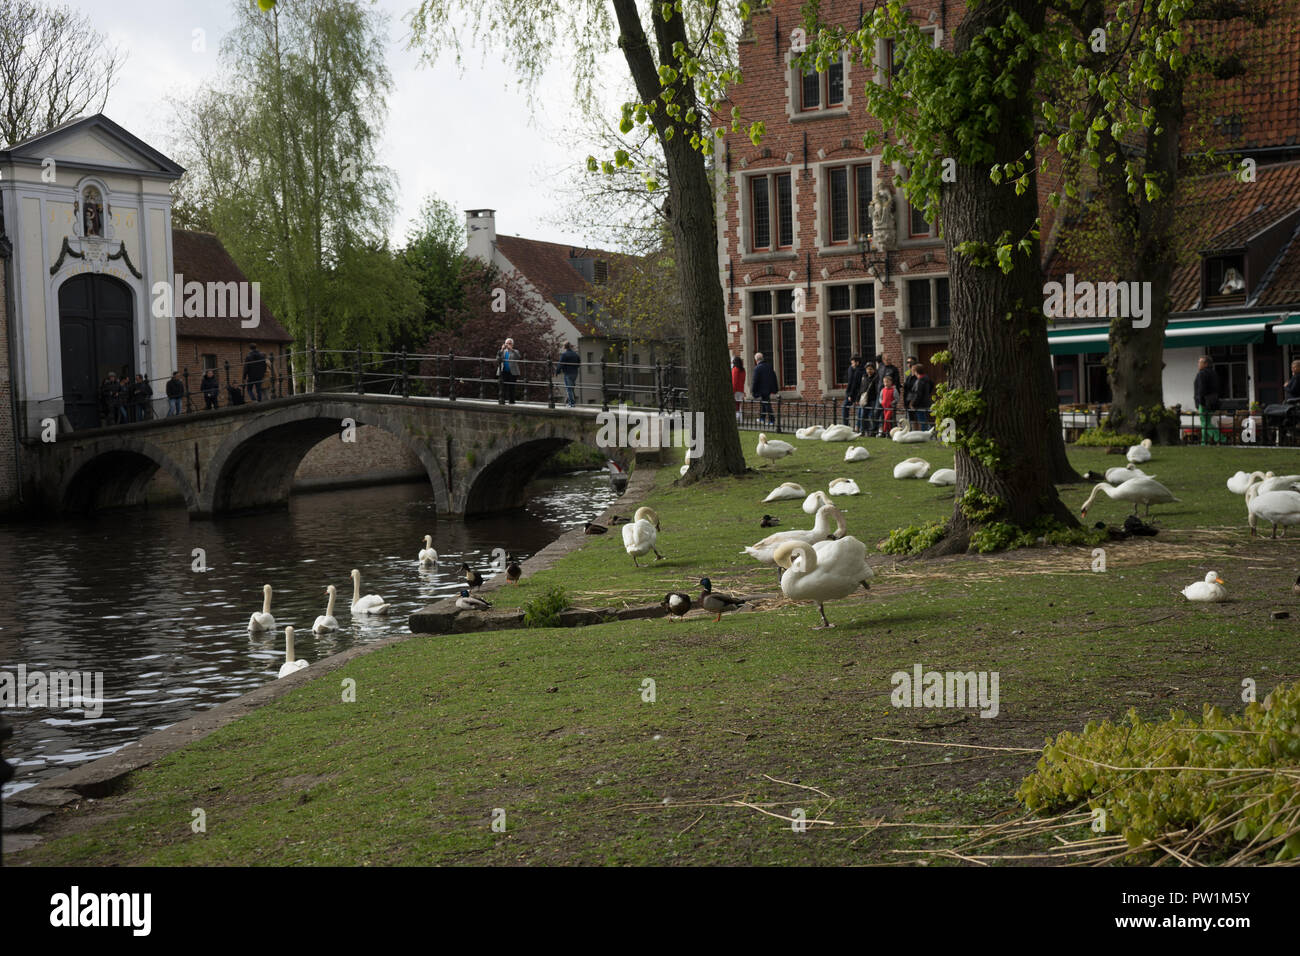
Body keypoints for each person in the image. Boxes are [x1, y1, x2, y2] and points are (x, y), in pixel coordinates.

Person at [1193, 355, 1223, 445]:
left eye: (1200, 362)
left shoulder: (1202, 373)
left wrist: (1199, 403)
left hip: (1204, 402)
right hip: (1212, 401)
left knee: (1205, 423)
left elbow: (1201, 390)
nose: (1198, 364)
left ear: (1205, 364)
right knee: (1206, 422)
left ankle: (1221, 439)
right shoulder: (1214, 373)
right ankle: (1204, 442)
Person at [751, 351, 779, 427]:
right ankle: (762, 418)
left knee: (766, 404)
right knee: (764, 403)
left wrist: (753, 391)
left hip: (762, 390)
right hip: (768, 389)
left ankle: (772, 420)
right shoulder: (769, 366)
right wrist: (775, 388)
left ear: (756, 360)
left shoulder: (757, 368)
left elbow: (755, 381)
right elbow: (774, 377)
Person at [843, 355, 865, 427]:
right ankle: (845, 425)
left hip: (858, 393)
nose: (852, 365)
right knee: (845, 407)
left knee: (859, 410)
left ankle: (858, 426)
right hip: (850, 393)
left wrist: (852, 395)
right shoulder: (850, 369)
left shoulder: (861, 371)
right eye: (851, 363)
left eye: (853, 363)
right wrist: (849, 394)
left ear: (857, 362)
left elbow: (857, 384)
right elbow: (850, 382)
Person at [859, 361, 880, 435]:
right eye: (868, 369)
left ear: (874, 369)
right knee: (863, 415)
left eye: (871, 369)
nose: (869, 371)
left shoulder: (876, 377)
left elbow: (877, 389)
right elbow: (862, 388)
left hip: (873, 399)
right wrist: (859, 396)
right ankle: (863, 430)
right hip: (865, 399)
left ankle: (873, 431)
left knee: (872, 416)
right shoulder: (864, 377)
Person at [498, 337, 521, 404]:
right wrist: (502, 349)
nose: (508, 345)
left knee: (512, 387)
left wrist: (512, 350)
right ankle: (502, 400)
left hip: (512, 372)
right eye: (506, 343)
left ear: (512, 344)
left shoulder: (515, 351)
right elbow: (498, 358)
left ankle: (512, 401)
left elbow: (518, 357)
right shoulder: (503, 352)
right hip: (504, 371)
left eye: (509, 343)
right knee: (503, 387)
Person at [559, 342, 580, 407]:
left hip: (568, 373)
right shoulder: (575, 354)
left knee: (569, 389)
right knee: (571, 388)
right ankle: (569, 402)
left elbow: (560, 364)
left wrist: (557, 371)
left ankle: (572, 404)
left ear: (564, 347)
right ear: (570, 346)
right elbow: (579, 363)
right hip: (575, 373)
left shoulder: (564, 355)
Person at [902, 357, 920, 426]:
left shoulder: (918, 378)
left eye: (910, 363)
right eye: (908, 363)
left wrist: (912, 402)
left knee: (918, 420)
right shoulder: (908, 376)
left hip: (914, 401)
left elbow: (916, 390)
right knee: (911, 420)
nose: (909, 365)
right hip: (907, 400)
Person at [731, 356, 746, 423]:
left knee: (735, 405)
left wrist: (733, 391)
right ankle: (740, 420)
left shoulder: (735, 369)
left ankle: (736, 419)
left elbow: (734, 381)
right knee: (739, 405)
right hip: (741, 390)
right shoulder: (743, 370)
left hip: (736, 390)